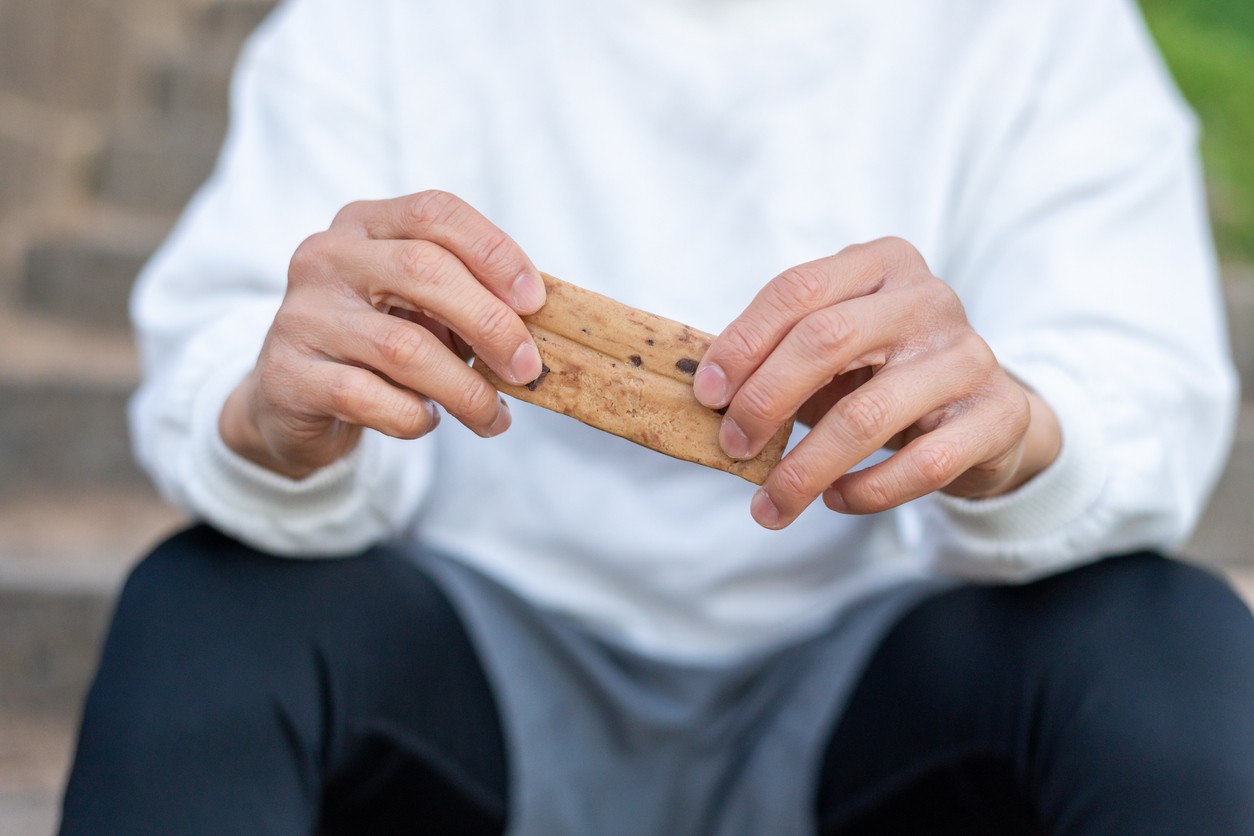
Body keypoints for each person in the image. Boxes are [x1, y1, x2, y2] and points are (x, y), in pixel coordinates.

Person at [60, 0, 1254, 833]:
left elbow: (1140, 378)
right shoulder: (377, 20)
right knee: (207, 607)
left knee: (1166, 636)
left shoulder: (1037, 28)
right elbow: (222, 342)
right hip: (465, 683)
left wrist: (1020, 433)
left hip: (871, 695)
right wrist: (283, 417)